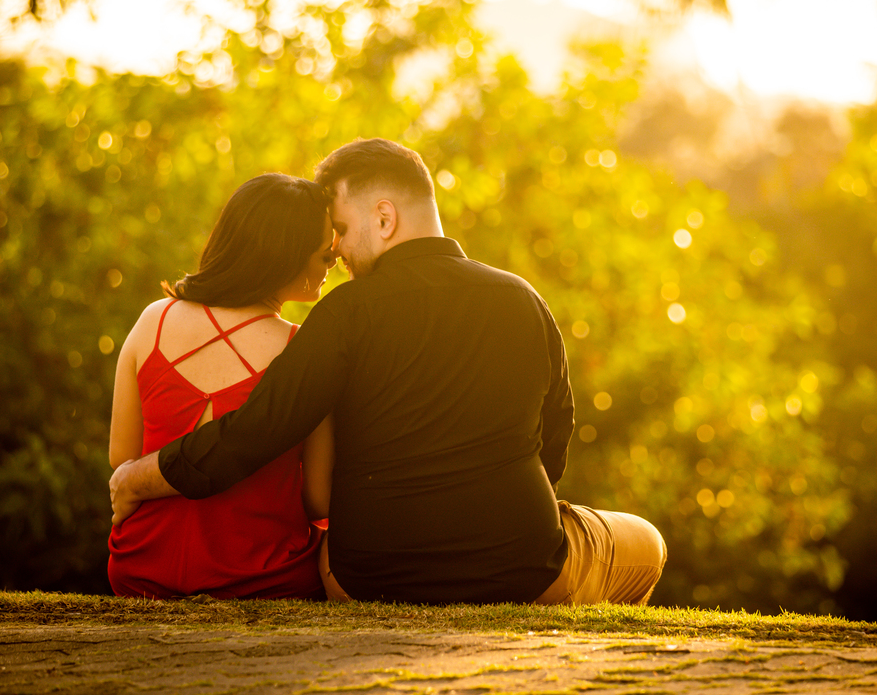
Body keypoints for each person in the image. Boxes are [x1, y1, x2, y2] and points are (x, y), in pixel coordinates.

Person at [110, 138, 667, 605]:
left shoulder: (343, 314)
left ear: (384, 217)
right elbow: (555, 440)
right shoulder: (523, 299)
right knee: (649, 542)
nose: (335, 250)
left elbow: (254, 432)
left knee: (327, 543)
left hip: (366, 579)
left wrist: (139, 476)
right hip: (521, 570)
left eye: (341, 229)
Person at [107, 173, 336, 600]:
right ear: (285, 256)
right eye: (325, 256)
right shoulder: (304, 349)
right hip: (261, 577)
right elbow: (319, 498)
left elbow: (123, 459)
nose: (333, 263)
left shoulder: (152, 321)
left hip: (140, 568)